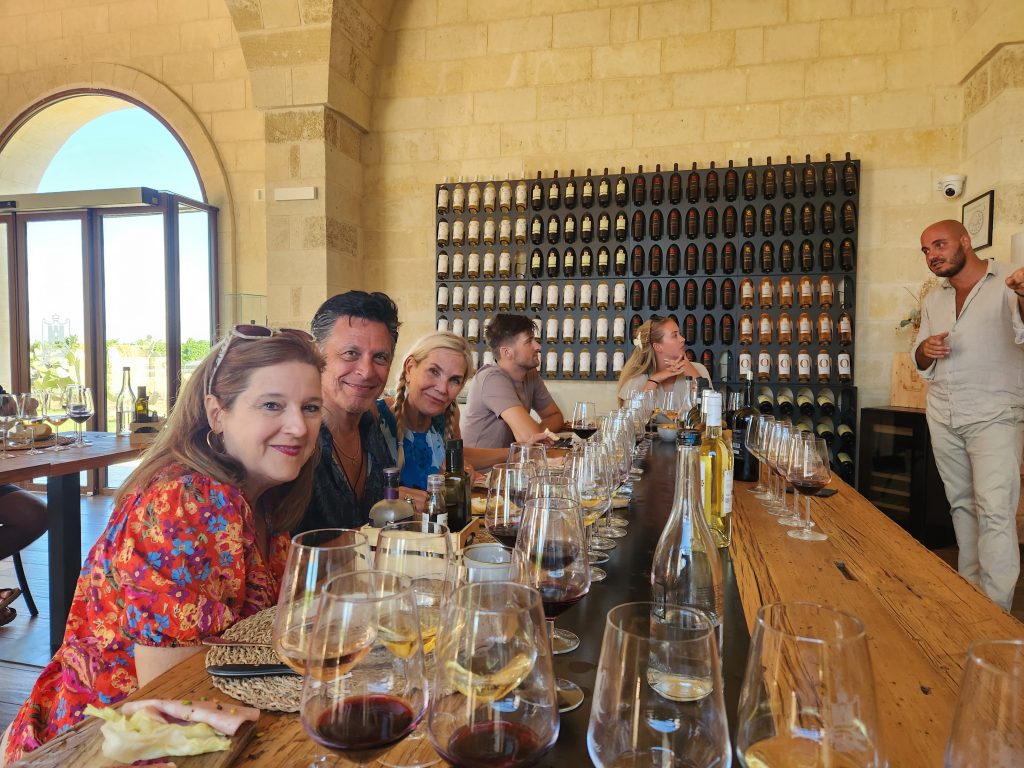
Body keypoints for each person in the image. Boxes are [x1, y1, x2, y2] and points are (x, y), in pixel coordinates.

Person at [2, 327, 325, 764]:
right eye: (272, 405)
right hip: (109, 738)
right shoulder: (186, 501)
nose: (299, 426)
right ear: (217, 413)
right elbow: (174, 695)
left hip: (210, 719)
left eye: (310, 407)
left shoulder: (263, 497)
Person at [913, 219, 1024, 611]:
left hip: (995, 414)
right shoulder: (934, 298)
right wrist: (925, 349)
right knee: (962, 507)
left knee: (995, 512)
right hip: (943, 414)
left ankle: (995, 615)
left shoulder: (1010, 282)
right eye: (926, 250)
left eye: (939, 244)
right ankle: (971, 602)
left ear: (965, 241)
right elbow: (919, 359)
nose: (932, 255)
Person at [300, 291, 417, 531]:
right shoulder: (297, 439)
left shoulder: (371, 427)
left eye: (380, 357)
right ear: (316, 355)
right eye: (351, 353)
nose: (366, 372)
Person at [383, 331, 476, 488]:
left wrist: (462, 472)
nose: (442, 389)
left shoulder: (449, 416)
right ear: (410, 369)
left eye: (454, 380)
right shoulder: (376, 417)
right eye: (434, 371)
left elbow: (451, 478)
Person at [460, 314, 564, 455]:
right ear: (507, 352)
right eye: (529, 341)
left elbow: (556, 416)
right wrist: (535, 434)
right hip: (482, 468)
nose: (538, 346)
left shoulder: (530, 374)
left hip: (512, 463)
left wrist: (537, 433)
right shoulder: (491, 379)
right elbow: (529, 437)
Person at [616, 315, 712, 405]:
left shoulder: (699, 369)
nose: (683, 339)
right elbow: (633, 416)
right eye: (675, 336)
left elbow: (712, 412)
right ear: (657, 347)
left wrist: (696, 377)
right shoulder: (638, 379)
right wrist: (654, 380)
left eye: (680, 334)